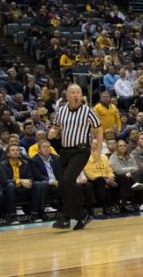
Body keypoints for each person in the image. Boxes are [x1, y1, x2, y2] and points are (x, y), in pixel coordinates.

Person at [49, 84, 103, 230]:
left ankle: (66, 217)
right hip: (65, 151)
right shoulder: (60, 111)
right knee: (62, 184)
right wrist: (53, 132)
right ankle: (81, 214)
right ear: (67, 95)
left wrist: (98, 150)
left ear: (81, 95)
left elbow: (98, 130)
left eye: (78, 92)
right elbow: (56, 126)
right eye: (72, 93)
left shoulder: (88, 111)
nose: (75, 95)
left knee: (67, 180)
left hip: (81, 151)